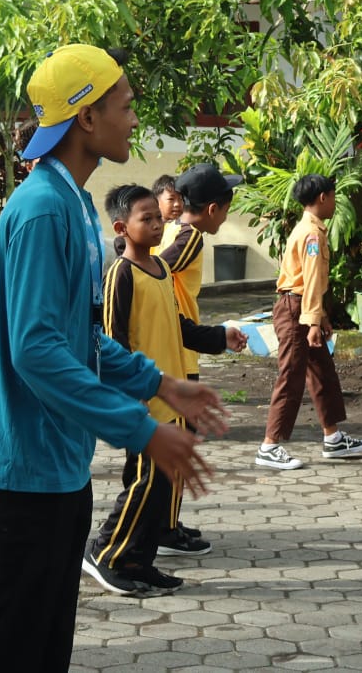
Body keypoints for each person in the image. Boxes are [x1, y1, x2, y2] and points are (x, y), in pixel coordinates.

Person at [0, 43, 229, 673]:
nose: (133, 120)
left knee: (45, 647)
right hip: (21, 467)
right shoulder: (42, 209)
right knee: (10, 653)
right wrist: (141, 429)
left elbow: (80, 335)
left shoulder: (74, 203)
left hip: (57, 463)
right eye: (125, 107)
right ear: (85, 117)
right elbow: (36, 350)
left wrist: (159, 383)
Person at [83, 184, 245, 598]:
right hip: (143, 401)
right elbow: (112, 340)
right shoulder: (120, 274)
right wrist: (128, 395)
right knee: (143, 483)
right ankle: (106, 553)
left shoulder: (160, 269)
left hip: (170, 397)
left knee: (161, 486)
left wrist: (220, 337)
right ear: (122, 227)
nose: (158, 225)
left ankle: (139, 561)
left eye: (158, 217)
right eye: (147, 219)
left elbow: (179, 326)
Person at [154, 162, 242, 555]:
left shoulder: (172, 228)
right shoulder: (190, 236)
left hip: (176, 346)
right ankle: (164, 529)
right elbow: (157, 269)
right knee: (180, 440)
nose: (225, 217)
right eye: (226, 209)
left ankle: (168, 521)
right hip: (179, 352)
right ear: (211, 209)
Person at [258, 173, 362, 471]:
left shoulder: (310, 228)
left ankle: (333, 438)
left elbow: (312, 283)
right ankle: (269, 445)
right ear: (323, 197)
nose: (335, 202)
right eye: (333, 196)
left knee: (322, 372)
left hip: (303, 308)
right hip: (296, 311)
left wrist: (320, 317)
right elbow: (310, 280)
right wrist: (311, 323)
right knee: (291, 376)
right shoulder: (312, 233)